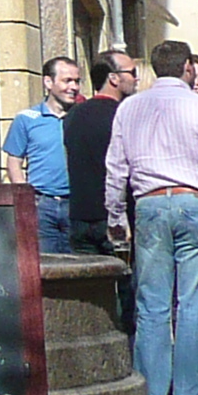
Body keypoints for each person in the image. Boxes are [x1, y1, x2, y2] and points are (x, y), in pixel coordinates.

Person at [106, 39, 198, 395]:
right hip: (195, 200)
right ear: (186, 68)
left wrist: (116, 216)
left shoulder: (129, 108)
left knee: (151, 303)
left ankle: (151, 393)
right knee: (194, 302)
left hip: (149, 202)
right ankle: (191, 393)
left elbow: (116, 168)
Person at [61, 48, 137, 258]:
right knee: (125, 285)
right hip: (116, 219)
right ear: (113, 78)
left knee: (90, 288)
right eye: (132, 72)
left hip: (79, 216)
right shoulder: (124, 114)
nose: (136, 78)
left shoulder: (73, 114)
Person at [3, 56, 83, 252]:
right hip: (41, 206)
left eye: (77, 81)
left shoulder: (83, 117)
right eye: (67, 81)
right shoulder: (26, 119)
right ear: (48, 82)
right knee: (44, 268)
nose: (73, 87)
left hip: (77, 205)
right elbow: (14, 161)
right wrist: (25, 198)